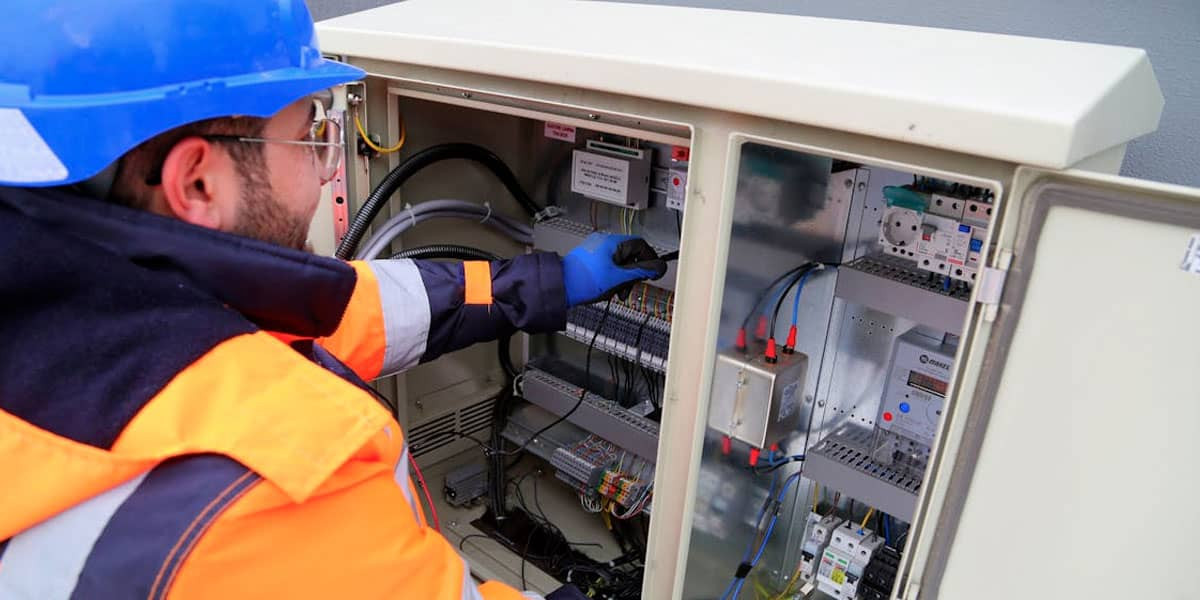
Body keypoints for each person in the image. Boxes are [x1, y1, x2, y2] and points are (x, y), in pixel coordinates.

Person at [0, 2, 665, 598]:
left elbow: (360, 308)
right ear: (197, 182)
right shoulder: (271, 488)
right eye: (309, 135)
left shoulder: (84, 299)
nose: (326, 169)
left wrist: (549, 283)